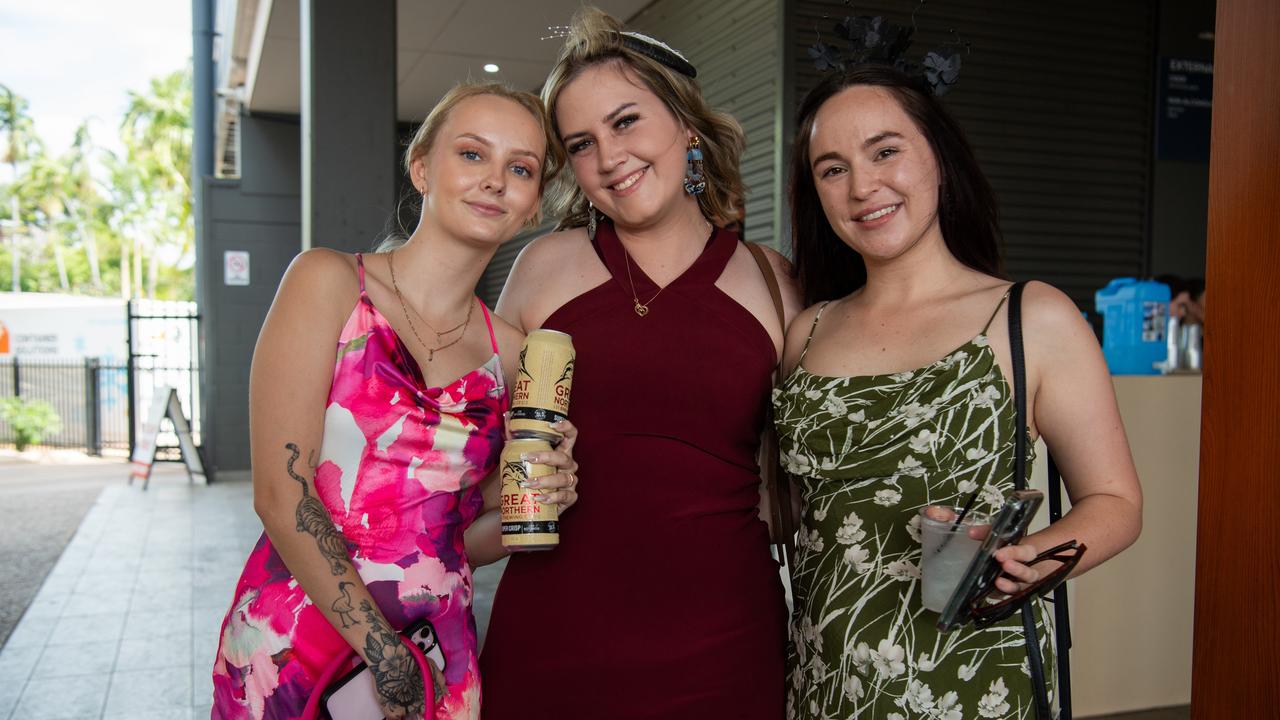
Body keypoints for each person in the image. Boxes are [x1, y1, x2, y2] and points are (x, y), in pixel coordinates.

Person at [773, 65, 1143, 719]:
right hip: (824, 679)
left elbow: (1115, 501)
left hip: (970, 678)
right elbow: (797, 513)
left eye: (885, 151)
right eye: (832, 169)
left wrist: (1035, 560)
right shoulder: (807, 330)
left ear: (938, 158)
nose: (863, 186)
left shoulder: (1031, 317)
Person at [210, 83, 580, 720]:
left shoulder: (518, 358)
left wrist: (539, 499)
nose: (494, 180)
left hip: (438, 652)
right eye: (471, 154)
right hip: (295, 650)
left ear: (532, 205)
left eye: (519, 168)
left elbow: (455, 539)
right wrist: (385, 656)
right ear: (421, 168)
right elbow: (279, 493)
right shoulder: (326, 283)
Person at [476, 7, 802, 719]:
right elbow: (465, 450)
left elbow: (802, 481)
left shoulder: (771, 281)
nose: (609, 157)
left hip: (726, 645)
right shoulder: (543, 267)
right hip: (553, 640)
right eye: (582, 143)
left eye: (627, 122)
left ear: (686, 125)